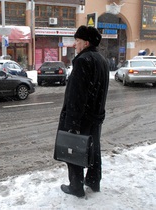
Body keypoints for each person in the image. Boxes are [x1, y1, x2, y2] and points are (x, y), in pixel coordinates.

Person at [53, 25, 109, 197]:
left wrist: (72, 122)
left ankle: (76, 187)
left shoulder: (82, 61)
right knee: (93, 149)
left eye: (76, 41)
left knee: (74, 151)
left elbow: (76, 96)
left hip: (81, 117)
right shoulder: (101, 60)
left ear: (85, 42)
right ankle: (93, 181)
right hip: (95, 117)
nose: (74, 45)